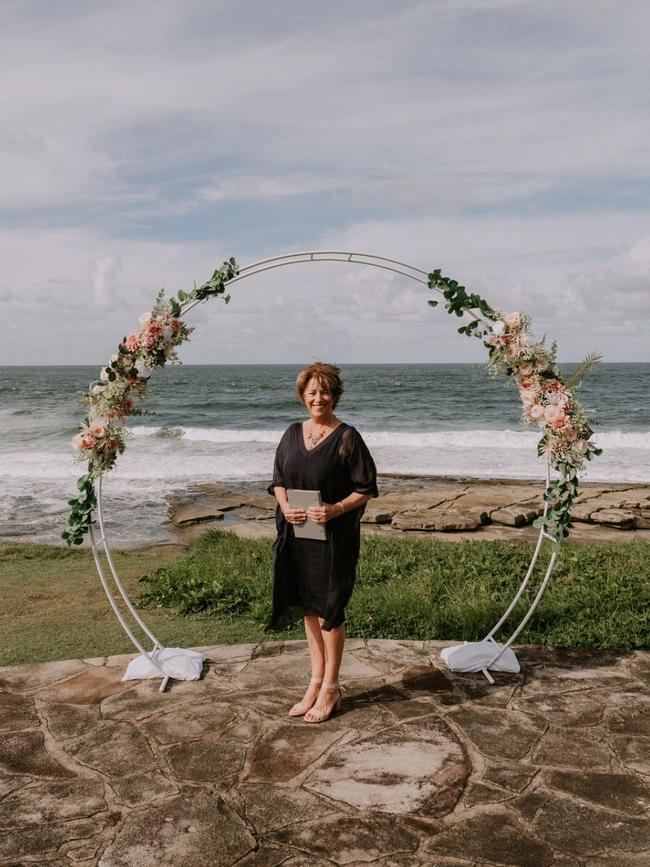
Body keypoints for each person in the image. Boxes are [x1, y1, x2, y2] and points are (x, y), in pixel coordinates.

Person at [268, 362, 378, 723]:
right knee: (309, 608)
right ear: (303, 396)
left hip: (334, 541)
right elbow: (279, 480)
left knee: (330, 611)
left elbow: (365, 488)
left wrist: (334, 509)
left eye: (325, 391)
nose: (319, 398)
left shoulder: (347, 437)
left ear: (336, 396)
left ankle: (331, 688)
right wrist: (285, 507)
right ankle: (314, 682)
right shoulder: (291, 433)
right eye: (312, 392)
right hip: (298, 537)